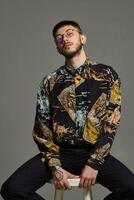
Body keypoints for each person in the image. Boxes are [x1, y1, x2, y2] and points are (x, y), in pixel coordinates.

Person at [1, 20, 134, 200]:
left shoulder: (107, 74)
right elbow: (42, 129)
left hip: (94, 151)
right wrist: (55, 166)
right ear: (57, 48)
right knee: (12, 189)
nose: (64, 39)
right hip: (59, 153)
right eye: (59, 38)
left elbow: (111, 123)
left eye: (69, 33)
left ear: (83, 38)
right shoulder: (49, 82)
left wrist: (94, 163)